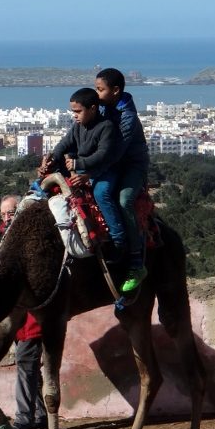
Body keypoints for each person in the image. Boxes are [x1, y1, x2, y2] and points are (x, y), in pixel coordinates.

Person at [38, 87, 145, 293]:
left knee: (101, 193)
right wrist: (52, 157)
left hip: (104, 171)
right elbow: (64, 143)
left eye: (78, 112)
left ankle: (118, 239)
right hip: (82, 169)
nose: (74, 116)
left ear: (93, 108)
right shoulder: (78, 127)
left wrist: (80, 163)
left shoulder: (107, 127)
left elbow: (104, 155)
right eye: (73, 112)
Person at [94, 68, 150, 291]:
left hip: (131, 165)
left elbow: (116, 152)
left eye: (101, 89)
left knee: (124, 199)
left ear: (115, 90)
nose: (97, 94)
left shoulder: (127, 117)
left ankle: (135, 259)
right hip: (111, 164)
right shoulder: (102, 108)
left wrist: (87, 169)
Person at [0, 195, 47, 429]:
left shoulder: (25, 242)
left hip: (29, 321)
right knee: (30, 369)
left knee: (25, 367)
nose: (7, 217)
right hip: (23, 322)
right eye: (4, 214)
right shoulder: (10, 239)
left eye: (11, 212)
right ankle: (39, 415)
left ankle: (23, 418)